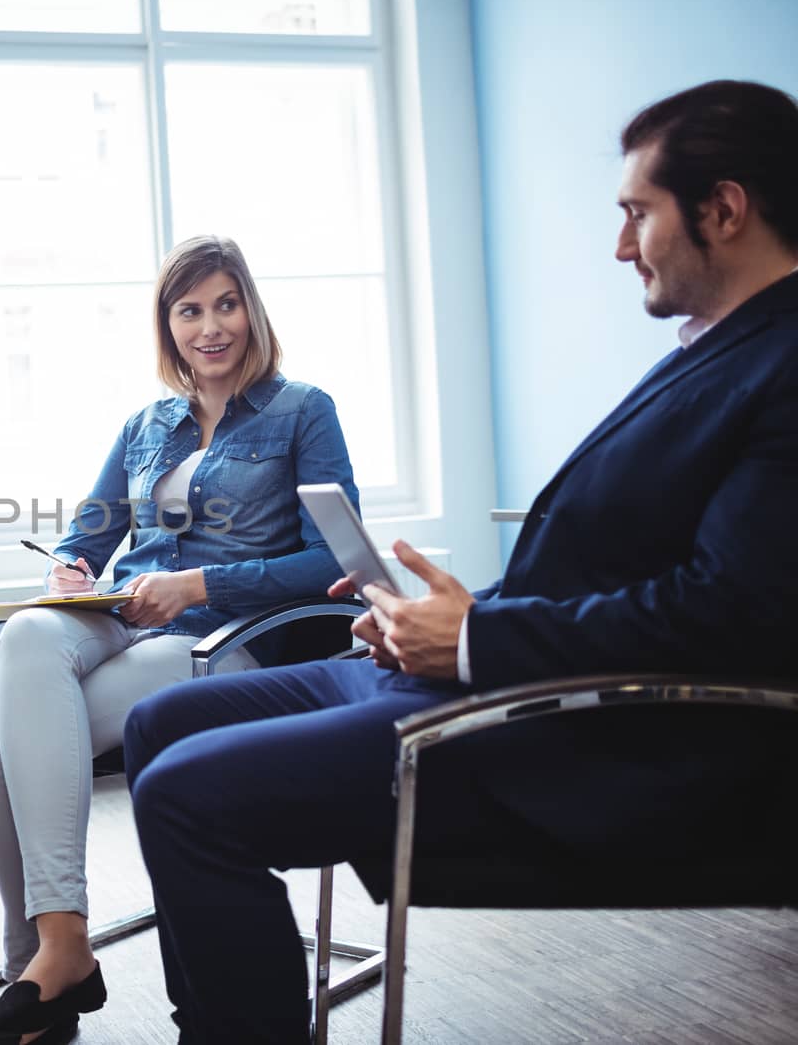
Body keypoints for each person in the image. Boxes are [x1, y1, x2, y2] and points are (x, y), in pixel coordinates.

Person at [122, 78, 798, 1043]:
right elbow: (623, 572)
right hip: (484, 671)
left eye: (636, 213)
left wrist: (477, 634)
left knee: (183, 794)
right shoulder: (715, 351)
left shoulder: (782, 369)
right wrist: (437, 616)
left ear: (723, 209)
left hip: (564, 730)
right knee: (156, 725)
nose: (619, 244)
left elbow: (738, 612)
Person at [0, 236, 358, 1045]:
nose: (209, 326)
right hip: (126, 613)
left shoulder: (302, 411)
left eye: (225, 304)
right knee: (32, 630)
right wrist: (71, 567)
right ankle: (60, 945)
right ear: (168, 323)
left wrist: (203, 585)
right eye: (189, 310)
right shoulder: (149, 424)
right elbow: (90, 530)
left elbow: (334, 557)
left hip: (227, 638)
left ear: (250, 309)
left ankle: (35, 964)